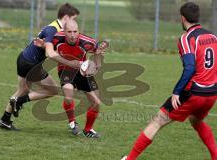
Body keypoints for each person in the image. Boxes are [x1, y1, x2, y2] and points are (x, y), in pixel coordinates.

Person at [122, 2, 217, 160]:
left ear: (182, 18)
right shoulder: (213, 37)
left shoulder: (187, 39)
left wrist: (176, 91)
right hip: (212, 93)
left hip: (193, 92)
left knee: (156, 122)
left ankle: (130, 158)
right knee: (196, 120)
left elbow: (189, 67)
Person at [0, 3, 80, 130]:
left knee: (22, 90)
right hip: (32, 64)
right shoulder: (53, 29)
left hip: (23, 58)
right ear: (67, 17)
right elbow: (49, 53)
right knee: (52, 90)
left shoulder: (55, 28)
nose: (74, 23)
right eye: (74, 19)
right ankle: (20, 101)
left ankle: (5, 119)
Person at [35, 20, 108, 138]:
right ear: (64, 31)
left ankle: (88, 130)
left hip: (82, 72)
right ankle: (72, 123)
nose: (73, 35)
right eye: (69, 32)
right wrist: (42, 44)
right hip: (65, 70)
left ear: (79, 31)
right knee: (69, 96)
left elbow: (97, 54)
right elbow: (46, 46)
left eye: (75, 31)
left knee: (96, 103)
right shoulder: (56, 38)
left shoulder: (88, 42)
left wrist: (97, 65)